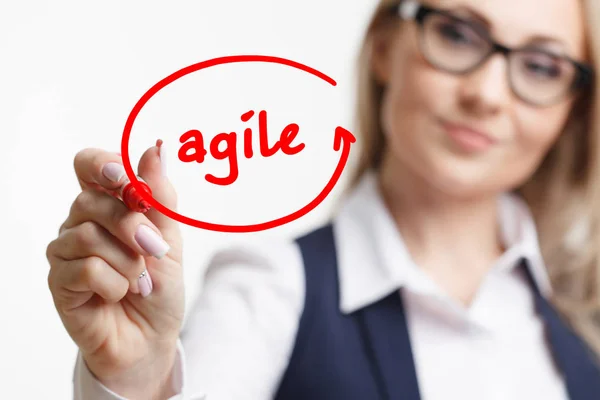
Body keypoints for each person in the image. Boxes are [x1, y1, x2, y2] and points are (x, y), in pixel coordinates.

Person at [45, 0, 600, 399]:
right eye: (457, 33)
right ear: (384, 47)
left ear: (572, 110)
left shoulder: (584, 323)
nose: (486, 93)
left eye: (541, 67)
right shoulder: (271, 287)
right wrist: (138, 381)